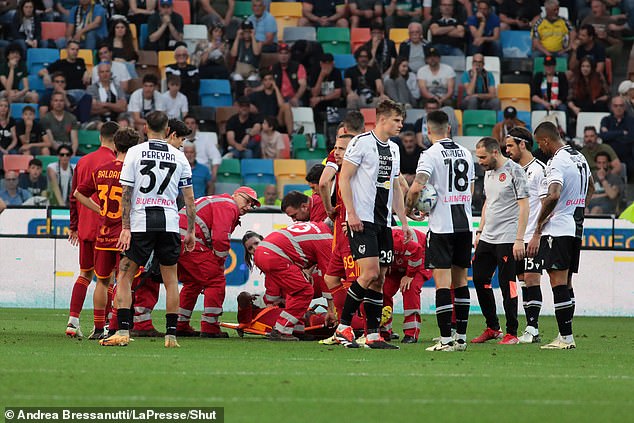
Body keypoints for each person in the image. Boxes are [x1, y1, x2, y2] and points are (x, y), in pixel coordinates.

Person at [100, 111, 195, 348]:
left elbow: (126, 194)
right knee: (171, 280)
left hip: (142, 221)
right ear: (167, 130)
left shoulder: (134, 152)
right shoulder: (179, 156)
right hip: (170, 223)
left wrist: (125, 227)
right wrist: (191, 230)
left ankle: (122, 331)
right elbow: (190, 199)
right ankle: (171, 335)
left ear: (145, 127)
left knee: (124, 274)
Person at [334, 99, 411, 350]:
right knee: (368, 274)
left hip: (384, 222)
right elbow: (344, 179)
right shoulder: (361, 143)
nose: (400, 125)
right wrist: (352, 214)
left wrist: (404, 222)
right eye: (397, 120)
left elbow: (396, 188)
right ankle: (343, 327)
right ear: (382, 119)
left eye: (401, 121)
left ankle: (374, 334)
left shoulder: (395, 149)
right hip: (362, 220)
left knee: (380, 278)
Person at [405, 110, 474, 352]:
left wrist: (408, 209)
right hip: (465, 226)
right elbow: (472, 189)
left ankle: (445, 341)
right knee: (462, 281)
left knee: (443, 285)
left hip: (442, 227)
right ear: (449, 129)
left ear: (427, 130)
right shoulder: (466, 153)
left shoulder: (429, 154)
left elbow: (416, 188)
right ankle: (461, 339)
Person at [529, 121, 594, 349]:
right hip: (575, 227)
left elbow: (553, 194)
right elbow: (592, 187)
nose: (540, 148)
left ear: (546, 140)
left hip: (557, 229)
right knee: (566, 283)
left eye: (540, 143)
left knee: (557, 283)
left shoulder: (557, 161)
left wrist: (538, 225)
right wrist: (577, 209)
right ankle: (566, 334)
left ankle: (565, 337)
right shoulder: (579, 157)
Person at [74, 127, 140, 340]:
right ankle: (118, 327)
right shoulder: (133, 172)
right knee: (123, 282)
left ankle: (99, 328)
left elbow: (78, 194)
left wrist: (99, 209)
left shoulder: (101, 169)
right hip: (125, 234)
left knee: (102, 281)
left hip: (103, 234)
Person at [176, 186, 260, 337]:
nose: (248, 207)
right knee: (216, 281)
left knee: (193, 283)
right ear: (236, 195)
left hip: (178, 239)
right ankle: (210, 326)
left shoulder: (220, 202)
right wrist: (219, 263)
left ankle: (180, 324)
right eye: (247, 201)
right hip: (191, 241)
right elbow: (220, 239)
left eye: (251, 205)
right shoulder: (228, 205)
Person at [470, 136, 529, 345]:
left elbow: (524, 205)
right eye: (478, 157)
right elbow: (488, 202)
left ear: (495, 152)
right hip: (487, 236)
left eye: (483, 157)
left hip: (507, 237)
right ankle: (493, 327)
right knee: (479, 279)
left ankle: (512, 332)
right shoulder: (488, 174)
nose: (480, 161)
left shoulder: (515, 171)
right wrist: (479, 230)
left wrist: (519, 239)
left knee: (508, 284)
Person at [65, 122, 117, 338]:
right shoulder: (116, 163)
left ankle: (72, 321)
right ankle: (103, 324)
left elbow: (73, 196)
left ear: (99, 138)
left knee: (85, 275)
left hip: (85, 229)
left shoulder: (83, 161)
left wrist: (74, 227)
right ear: (116, 140)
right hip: (107, 230)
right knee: (108, 279)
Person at [243, 221, 333, 341]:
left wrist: (271, 300)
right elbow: (327, 274)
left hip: (279, 303)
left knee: (295, 292)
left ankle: (296, 329)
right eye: (250, 248)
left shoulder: (269, 252)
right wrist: (331, 307)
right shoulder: (324, 237)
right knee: (303, 291)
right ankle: (282, 329)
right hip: (276, 306)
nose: (254, 248)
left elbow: (272, 291)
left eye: (255, 243)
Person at [504, 126, 548, 343]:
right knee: (522, 281)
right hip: (515, 237)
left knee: (532, 279)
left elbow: (547, 204)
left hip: (532, 236)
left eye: (510, 145)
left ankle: (533, 328)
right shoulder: (510, 170)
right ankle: (530, 327)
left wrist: (537, 234)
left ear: (523, 144)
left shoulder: (539, 170)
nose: (507, 149)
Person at [381, 227, 432, 343]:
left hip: (420, 258)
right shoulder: (373, 240)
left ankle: (411, 333)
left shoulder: (396, 239)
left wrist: (409, 275)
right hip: (396, 264)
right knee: (383, 289)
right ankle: (384, 330)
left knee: (410, 287)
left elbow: (417, 249)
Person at [249, 69, 293, 134]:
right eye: (265, 80)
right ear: (262, 82)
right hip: (263, 122)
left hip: (276, 121)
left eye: (270, 79)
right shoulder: (257, 94)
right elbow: (242, 103)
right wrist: (250, 106)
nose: (268, 82)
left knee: (286, 105)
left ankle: (291, 136)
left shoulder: (277, 94)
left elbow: (281, 105)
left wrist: (276, 88)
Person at [600, 97, 634, 180]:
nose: (618, 108)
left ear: (625, 107)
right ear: (612, 107)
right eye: (616, 106)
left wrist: (610, 135)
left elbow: (630, 138)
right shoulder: (606, 120)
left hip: (626, 156)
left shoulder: (631, 120)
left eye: (621, 105)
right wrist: (622, 132)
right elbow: (603, 136)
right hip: (608, 157)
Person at [567, 56, 609, 121]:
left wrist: (596, 100)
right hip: (580, 105)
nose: (585, 69)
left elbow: (607, 95)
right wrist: (574, 108)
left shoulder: (598, 76)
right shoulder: (575, 78)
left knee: (600, 105)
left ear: (592, 67)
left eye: (587, 66)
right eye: (583, 66)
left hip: (595, 104)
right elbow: (569, 99)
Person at [308, 53, 344, 125]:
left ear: (333, 63)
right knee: (312, 103)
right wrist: (321, 76)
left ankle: (333, 128)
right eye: (325, 63)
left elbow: (338, 93)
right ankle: (318, 128)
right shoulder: (315, 72)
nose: (327, 66)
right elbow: (314, 93)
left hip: (331, 100)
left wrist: (321, 98)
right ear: (321, 63)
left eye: (329, 63)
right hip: (318, 101)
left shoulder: (336, 72)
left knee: (336, 103)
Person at [269, 43, 307, 109]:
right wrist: (253, 90)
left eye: (286, 53)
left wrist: (296, 97)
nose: (283, 56)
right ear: (277, 55)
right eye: (281, 53)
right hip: (278, 98)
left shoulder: (298, 66)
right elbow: (268, 83)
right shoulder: (273, 68)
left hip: (293, 98)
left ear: (290, 55)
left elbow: (303, 85)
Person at [230, 21, 261, 87]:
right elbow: (233, 54)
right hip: (239, 70)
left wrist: (252, 36)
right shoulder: (239, 41)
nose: (246, 34)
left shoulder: (257, 42)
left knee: (253, 79)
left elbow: (256, 53)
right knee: (237, 78)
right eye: (245, 31)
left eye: (248, 32)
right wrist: (237, 36)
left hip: (252, 71)